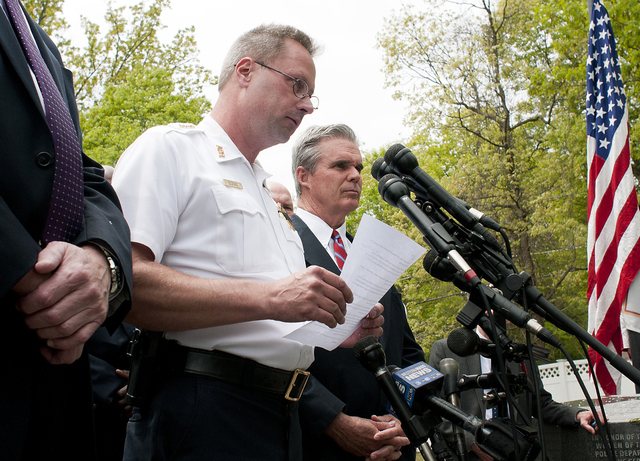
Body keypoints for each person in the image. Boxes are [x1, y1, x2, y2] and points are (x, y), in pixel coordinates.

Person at [112, 24, 383, 460]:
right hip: (202, 410)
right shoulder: (172, 149)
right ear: (244, 70)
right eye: (297, 84)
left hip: (284, 419)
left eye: (311, 93)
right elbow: (125, 285)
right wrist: (272, 297)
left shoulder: (270, 195)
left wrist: (334, 329)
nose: (308, 104)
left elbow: (269, 319)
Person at [0, 1, 133, 460]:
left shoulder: (38, 42)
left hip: (54, 377)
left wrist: (102, 260)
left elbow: (83, 174)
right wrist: (34, 274)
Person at [290, 124, 426, 461]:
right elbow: (267, 352)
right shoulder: (281, 244)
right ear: (304, 176)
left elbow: (408, 356)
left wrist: (401, 419)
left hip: (392, 447)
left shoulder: (372, 252)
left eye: (359, 168)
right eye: (341, 166)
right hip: (316, 445)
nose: (355, 175)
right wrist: (334, 421)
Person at [429, 326, 603, 461]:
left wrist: (578, 414)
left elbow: (541, 404)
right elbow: (435, 409)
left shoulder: (520, 356)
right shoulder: (446, 349)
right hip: (467, 454)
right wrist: (472, 443)